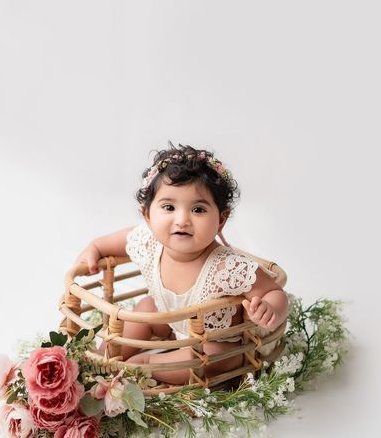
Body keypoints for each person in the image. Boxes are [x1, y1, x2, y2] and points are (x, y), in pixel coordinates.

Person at [75, 143, 289, 385]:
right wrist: (94, 248)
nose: (182, 220)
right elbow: (113, 243)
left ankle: (144, 367)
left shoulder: (228, 267)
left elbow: (273, 291)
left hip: (217, 347)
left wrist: (270, 309)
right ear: (147, 215)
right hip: (173, 323)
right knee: (146, 308)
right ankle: (101, 357)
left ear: (221, 219)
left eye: (198, 209)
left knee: (213, 355)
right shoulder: (149, 242)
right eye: (169, 207)